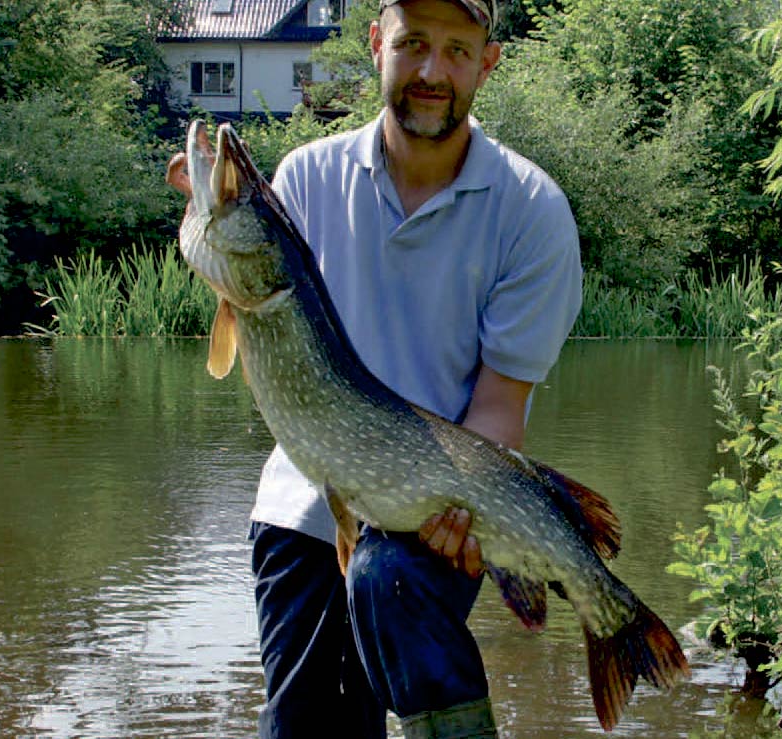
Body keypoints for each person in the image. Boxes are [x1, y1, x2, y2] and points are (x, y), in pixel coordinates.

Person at [245, 0, 582, 736]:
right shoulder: (304, 177)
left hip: (432, 513)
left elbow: (499, 407)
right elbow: (254, 310)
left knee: (386, 580)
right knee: (303, 723)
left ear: (488, 63)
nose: (434, 71)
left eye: (458, 50)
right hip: (304, 504)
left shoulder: (532, 211)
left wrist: (465, 514)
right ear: (377, 45)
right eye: (414, 44)